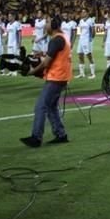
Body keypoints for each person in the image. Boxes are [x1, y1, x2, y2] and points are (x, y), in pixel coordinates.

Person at [20, 17, 72, 148]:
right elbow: (54, 55)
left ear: (53, 26)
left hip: (56, 77)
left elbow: (46, 63)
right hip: (61, 77)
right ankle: (61, 134)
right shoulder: (62, 37)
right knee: (51, 106)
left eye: (47, 23)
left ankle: (36, 137)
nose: (45, 26)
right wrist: (42, 53)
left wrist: (32, 71)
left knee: (41, 106)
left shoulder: (56, 40)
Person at [76, 14, 96, 79]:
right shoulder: (81, 20)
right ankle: (82, 74)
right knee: (80, 55)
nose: (83, 13)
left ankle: (93, 74)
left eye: (84, 12)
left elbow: (93, 30)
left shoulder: (90, 20)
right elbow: (81, 30)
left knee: (89, 56)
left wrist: (91, 39)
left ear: (87, 13)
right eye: (82, 12)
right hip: (81, 40)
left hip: (87, 40)